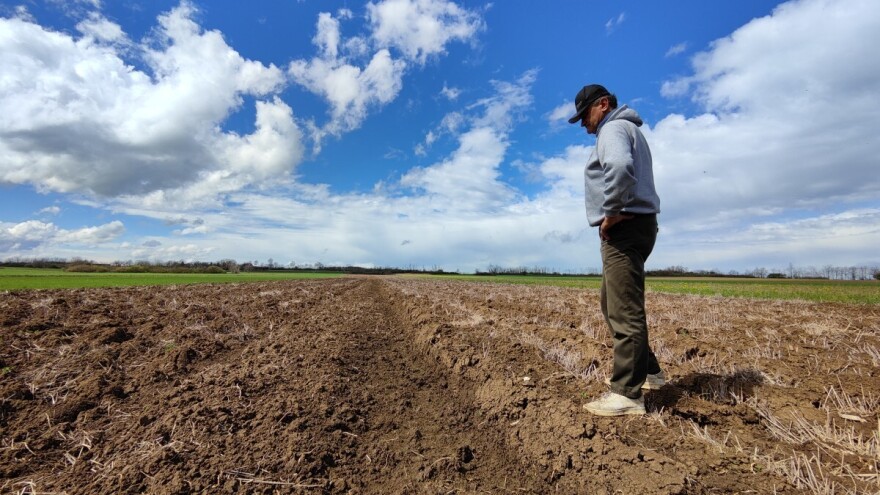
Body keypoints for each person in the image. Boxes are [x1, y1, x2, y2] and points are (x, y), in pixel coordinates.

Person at [568, 84, 664, 416]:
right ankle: (650, 372)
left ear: (603, 104)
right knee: (612, 304)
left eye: (585, 116)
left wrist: (610, 213)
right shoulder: (627, 129)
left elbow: (620, 167)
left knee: (624, 311)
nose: (584, 124)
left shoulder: (612, 129)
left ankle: (627, 394)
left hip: (624, 228)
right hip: (639, 225)